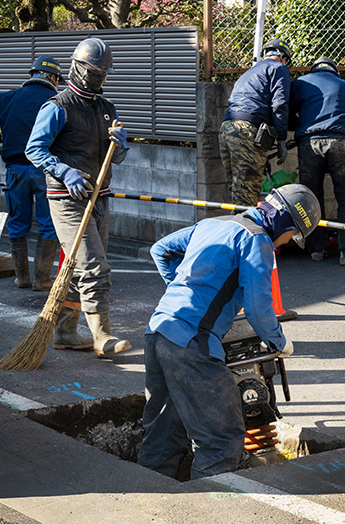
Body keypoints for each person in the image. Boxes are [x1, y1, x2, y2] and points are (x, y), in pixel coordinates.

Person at [137, 184, 321, 480]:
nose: (287, 243)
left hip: (158, 331)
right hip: (192, 343)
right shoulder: (257, 240)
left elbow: (160, 249)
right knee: (221, 440)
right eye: (293, 234)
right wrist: (280, 341)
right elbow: (258, 307)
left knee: (163, 435)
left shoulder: (214, 222)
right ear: (284, 221)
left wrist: (182, 291)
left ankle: (149, 502)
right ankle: (210, 507)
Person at [26, 37, 131, 356]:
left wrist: (122, 144)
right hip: (67, 199)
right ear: (77, 66)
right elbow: (34, 149)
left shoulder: (106, 108)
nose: (99, 76)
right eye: (93, 70)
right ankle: (102, 336)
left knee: (78, 267)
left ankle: (67, 331)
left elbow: (117, 157)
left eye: (103, 72)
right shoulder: (58, 106)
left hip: (100, 196)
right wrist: (63, 170)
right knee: (94, 266)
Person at [0, 56, 63, 291]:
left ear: (32, 75)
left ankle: (22, 277)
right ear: (53, 78)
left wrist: (0, 145)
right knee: (48, 224)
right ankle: (42, 279)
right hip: (46, 171)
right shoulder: (57, 101)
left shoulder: (8, 98)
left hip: (15, 170)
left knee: (17, 223)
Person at [289, 57, 345, 266]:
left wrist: (299, 125)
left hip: (309, 143)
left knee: (310, 197)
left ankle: (317, 249)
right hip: (340, 142)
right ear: (335, 71)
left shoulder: (301, 83)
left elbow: (289, 110)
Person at [219, 38, 293, 206]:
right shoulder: (279, 68)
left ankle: (235, 225)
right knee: (248, 191)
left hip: (227, 127)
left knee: (236, 187)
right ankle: (246, 229)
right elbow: (280, 104)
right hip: (247, 129)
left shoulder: (250, 72)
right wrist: (281, 138)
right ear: (284, 58)